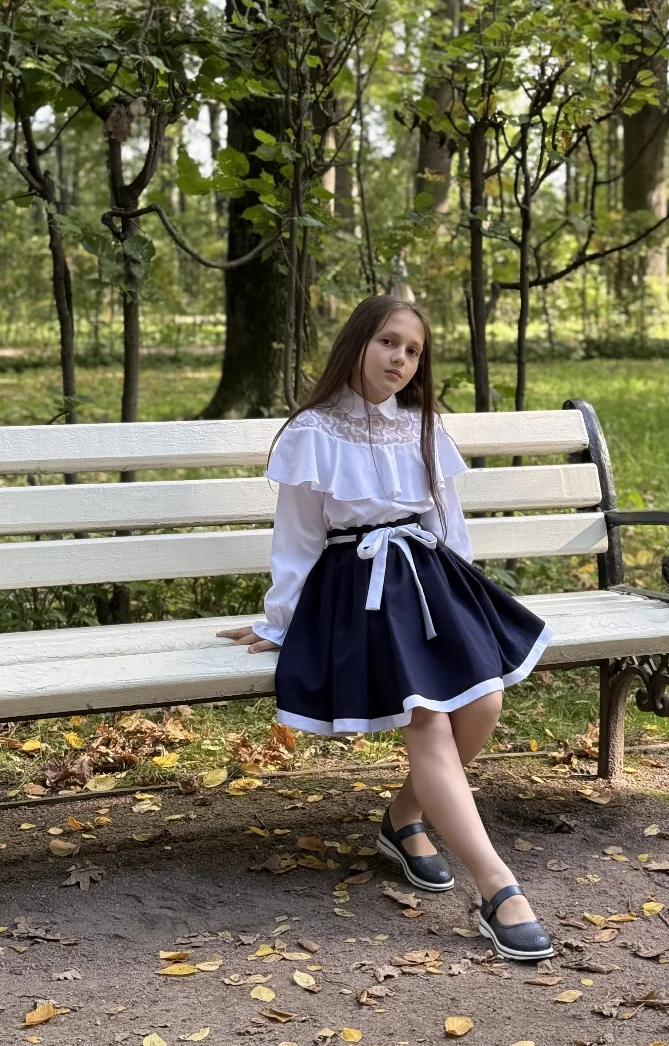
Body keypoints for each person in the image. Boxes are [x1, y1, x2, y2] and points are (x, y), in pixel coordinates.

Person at [217, 295, 555, 960]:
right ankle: (497, 886)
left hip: (429, 580)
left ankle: (403, 817)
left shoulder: (421, 425)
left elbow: (446, 523)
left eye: (413, 350)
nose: (399, 358)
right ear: (358, 344)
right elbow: (297, 539)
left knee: (483, 701)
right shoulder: (314, 430)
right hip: (356, 590)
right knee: (426, 714)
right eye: (388, 342)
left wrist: (465, 602)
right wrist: (280, 622)